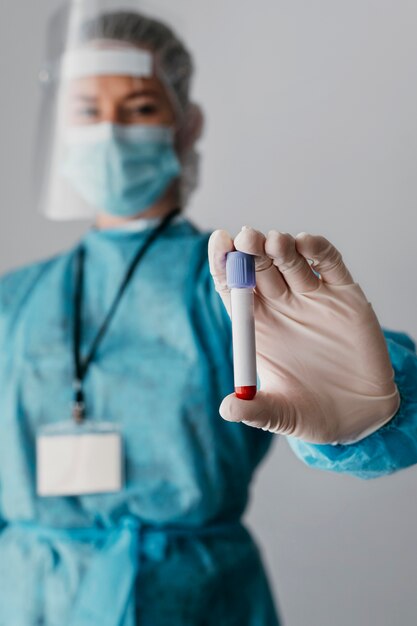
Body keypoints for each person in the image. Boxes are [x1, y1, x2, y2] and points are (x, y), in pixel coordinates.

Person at [0, 2, 416, 625]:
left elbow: (372, 381)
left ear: (186, 125)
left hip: (195, 599)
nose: (110, 132)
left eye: (139, 109)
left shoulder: (231, 284)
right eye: (87, 110)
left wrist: (378, 407)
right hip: (27, 596)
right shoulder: (16, 301)